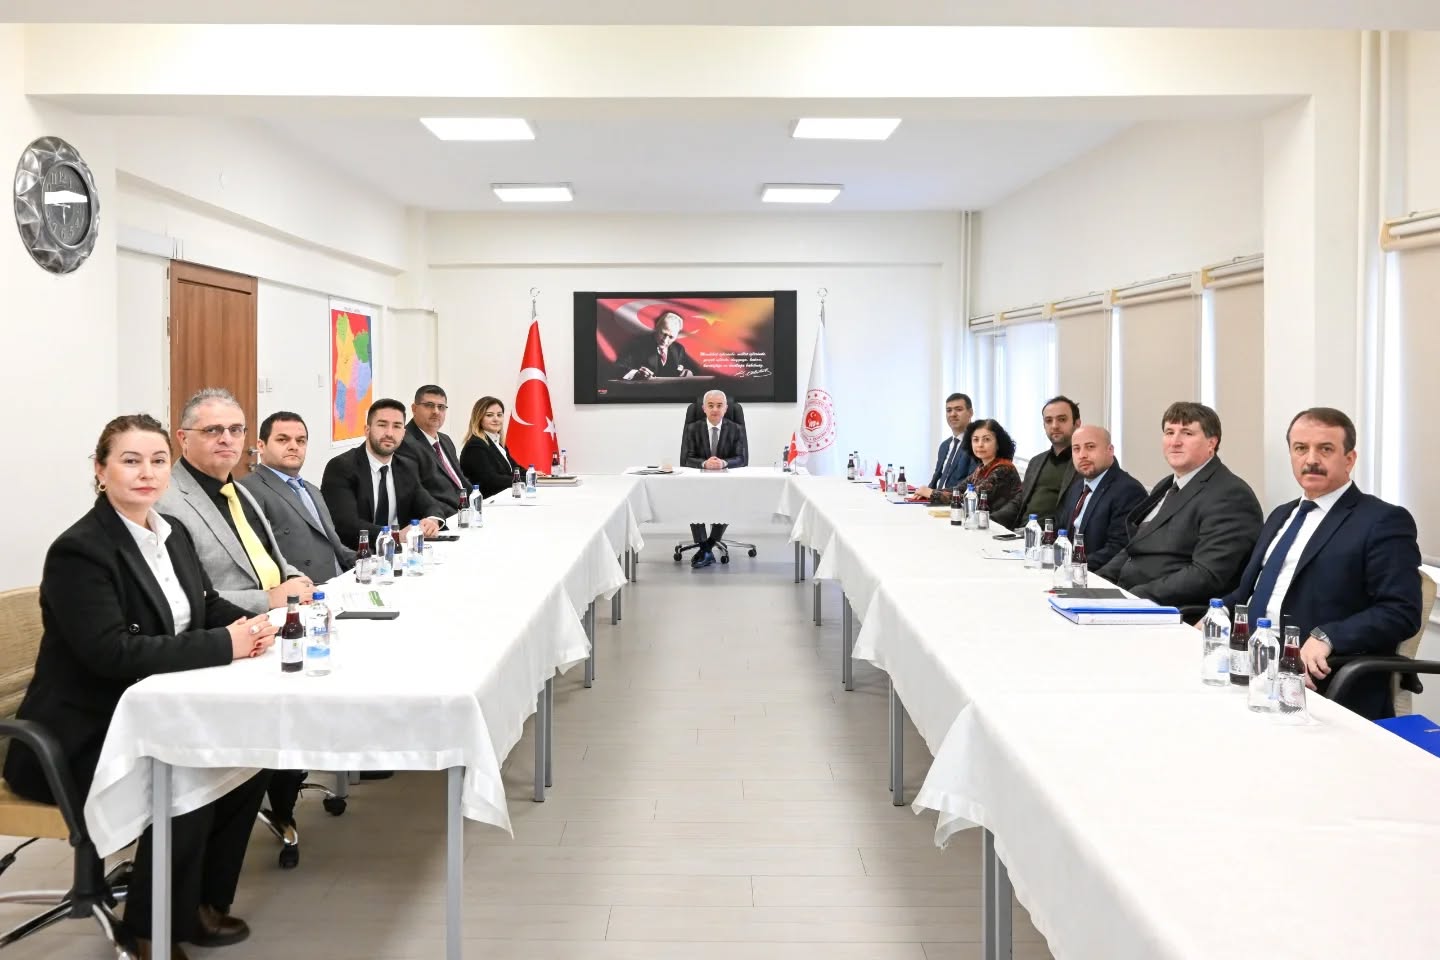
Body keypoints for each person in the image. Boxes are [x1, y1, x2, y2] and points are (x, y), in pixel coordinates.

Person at [2, 414, 277, 958]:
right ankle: (152, 929)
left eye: (157, 461)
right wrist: (225, 644)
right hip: (77, 736)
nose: (147, 472)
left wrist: (257, 625)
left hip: (150, 713)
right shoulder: (80, 550)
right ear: (101, 470)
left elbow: (204, 606)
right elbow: (112, 654)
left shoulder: (170, 534)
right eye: (130, 461)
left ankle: (202, 904)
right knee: (186, 771)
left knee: (250, 754)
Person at [1221, 408, 1422, 720]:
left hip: (1321, 681)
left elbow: (1401, 611)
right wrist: (1218, 613)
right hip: (1250, 667)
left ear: (1349, 459)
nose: (1311, 459)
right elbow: (1249, 592)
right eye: (1301, 448)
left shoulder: (1382, 521)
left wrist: (1329, 637)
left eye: (1325, 449)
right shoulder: (1281, 515)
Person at [1097, 402, 1262, 621]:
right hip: (1132, 600)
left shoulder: (1231, 494)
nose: (1175, 442)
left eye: (1187, 433)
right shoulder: (1167, 485)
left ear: (1212, 443)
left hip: (1176, 612)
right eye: (1169, 432)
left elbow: (1208, 575)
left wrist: (1134, 596)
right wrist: (1096, 582)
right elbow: (1134, 548)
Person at [158, 388, 312, 613]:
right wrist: (267, 599)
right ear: (183, 438)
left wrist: (296, 580)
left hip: (286, 615)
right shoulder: (164, 502)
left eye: (236, 430)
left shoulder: (240, 491)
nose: (227, 439)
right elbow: (175, 596)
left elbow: (266, 559)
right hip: (230, 626)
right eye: (212, 430)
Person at [321, 398, 448, 547]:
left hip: (400, 553)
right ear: (367, 430)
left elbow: (430, 504)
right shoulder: (341, 467)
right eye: (382, 425)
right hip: (360, 554)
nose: (389, 433)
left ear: (403, 433)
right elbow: (345, 525)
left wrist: (432, 521)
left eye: (397, 426)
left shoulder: (406, 466)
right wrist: (394, 536)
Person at [1055, 424, 1147, 571]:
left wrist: (1073, 565)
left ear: (1110, 450)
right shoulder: (1076, 487)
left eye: (1090, 447)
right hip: (1065, 570)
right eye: (1076, 449)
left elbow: (1118, 550)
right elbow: (1060, 532)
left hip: (1095, 575)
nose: (1082, 455)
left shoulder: (1129, 490)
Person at [679, 390, 748, 567]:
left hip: (726, 481)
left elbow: (741, 459)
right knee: (694, 503)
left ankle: (706, 548)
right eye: (711, 406)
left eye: (719, 405)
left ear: (726, 408)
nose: (715, 409)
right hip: (698, 481)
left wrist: (724, 463)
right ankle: (706, 548)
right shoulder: (693, 428)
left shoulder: (736, 429)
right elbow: (686, 459)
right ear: (704, 408)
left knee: (726, 501)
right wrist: (704, 463)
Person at [931, 419, 1024, 529]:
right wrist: (929, 492)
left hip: (999, 529)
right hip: (981, 524)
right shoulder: (981, 467)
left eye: (986, 440)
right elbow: (958, 490)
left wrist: (932, 493)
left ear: (998, 444)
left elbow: (970, 499)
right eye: (975, 440)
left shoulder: (1003, 469)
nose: (980, 444)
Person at [394, 385, 470, 513]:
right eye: (429, 405)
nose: (436, 411)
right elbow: (419, 495)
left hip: (466, 511)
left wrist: (478, 504)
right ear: (414, 409)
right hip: (444, 516)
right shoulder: (404, 442)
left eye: (441, 407)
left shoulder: (445, 440)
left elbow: (460, 480)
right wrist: (457, 514)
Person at [1013, 395, 1079, 524]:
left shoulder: (1085, 463)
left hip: (1053, 533)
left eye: (1062, 419)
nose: (1054, 426)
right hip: (1021, 530)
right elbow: (1019, 501)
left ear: (1077, 424)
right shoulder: (1036, 461)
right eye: (1048, 420)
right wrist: (991, 520)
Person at [915, 392, 977, 500]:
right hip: (935, 502)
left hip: (954, 503)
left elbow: (970, 487)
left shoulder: (976, 445)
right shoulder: (944, 445)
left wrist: (934, 494)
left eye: (958, 409)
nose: (952, 414)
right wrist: (925, 493)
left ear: (970, 412)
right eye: (949, 410)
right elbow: (936, 479)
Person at [459, 396, 524, 498]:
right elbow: (492, 480)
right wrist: (526, 480)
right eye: (489, 415)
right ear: (479, 418)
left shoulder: (497, 443)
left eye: (499, 415)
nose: (496, 419)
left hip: (502, 498)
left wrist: (532, 474)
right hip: (487, 502)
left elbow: (514, 468)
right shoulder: (475, 446)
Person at [616, 311, 698, 380]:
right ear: (657, 328)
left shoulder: (678, 349)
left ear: (676, 336)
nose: (665, 340)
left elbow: (694, 369)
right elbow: (618, 368)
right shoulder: (638, 345)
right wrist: (636, 373)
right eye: (663, 334)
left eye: (671, 337)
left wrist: (689, 372)